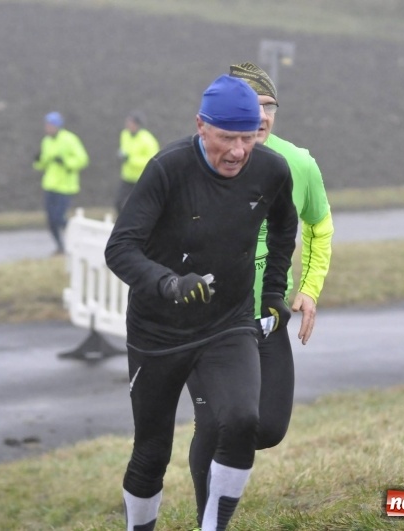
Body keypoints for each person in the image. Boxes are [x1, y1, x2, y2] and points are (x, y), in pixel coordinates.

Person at [104, 74, 298, 531]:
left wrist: (273, 292)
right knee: (152, 451)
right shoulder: (168, 168)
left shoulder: (271, 170)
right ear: (201, 127)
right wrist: (168, 283)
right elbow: (119, 248)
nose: (237, 150)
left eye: (247, 137)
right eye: (226, 137)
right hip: (158, 332)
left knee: (242, 419)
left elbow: (285, 227)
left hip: (226, 324)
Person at [186, 62, 335, 527]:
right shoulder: (201, 162)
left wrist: (309, 289)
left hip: (266, 317)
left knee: (266, 426)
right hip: (207, 322)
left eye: (270, 106)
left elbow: (319, 226)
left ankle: (220, 456)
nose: (264, 116)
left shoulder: (299, 164)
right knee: (219, 422)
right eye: (254, 107)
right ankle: (209, 519)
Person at [32, 111, 90, 254]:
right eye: (47, 125)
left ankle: (77, 237)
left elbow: (83, 159)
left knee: (59, 218)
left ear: (57, 126)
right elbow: (43, 165)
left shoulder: (70, 139)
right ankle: (60, 247)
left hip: (66, 186)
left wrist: (66, 162)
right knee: (51, 221)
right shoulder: (46, 141)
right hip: (50, 185)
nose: (48, 128)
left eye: (50, 125)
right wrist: (37, 160)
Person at [115, 110, 160, 215]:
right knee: (118, 203)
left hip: (141, 179)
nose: (128, 125)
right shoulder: (124, 134)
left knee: (138, 206)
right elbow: (125, 150)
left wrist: (130, 159)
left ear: (138, 124)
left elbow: (152, 160)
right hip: (127, 177)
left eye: (131, 122)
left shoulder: (148, 140)